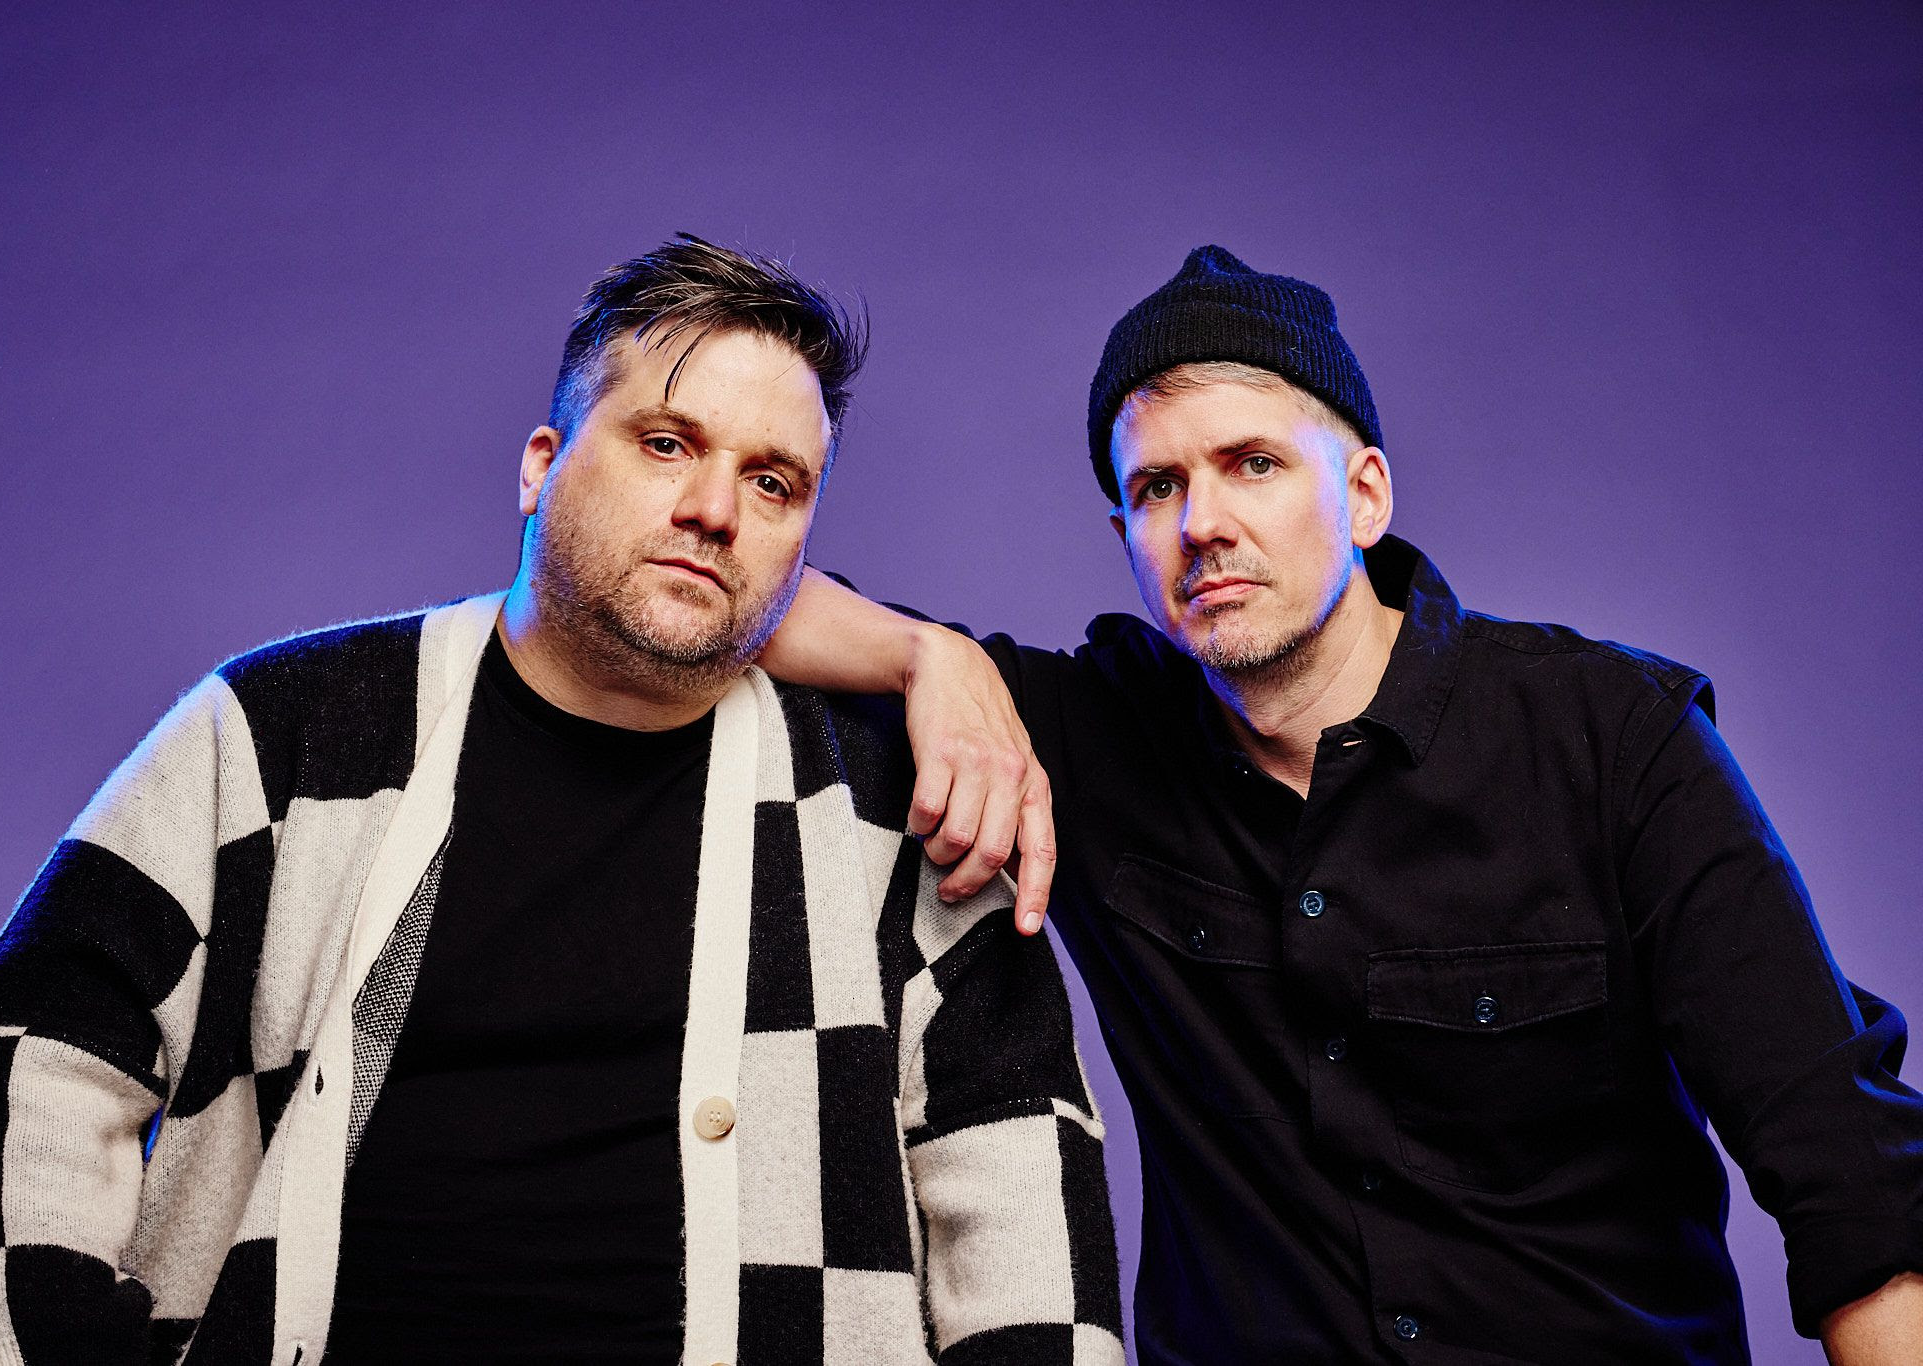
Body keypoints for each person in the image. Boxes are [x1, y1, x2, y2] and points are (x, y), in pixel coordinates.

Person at [0, 236, 1124, 1366]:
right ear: (541, 465)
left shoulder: (889, 806)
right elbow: (29, 1055)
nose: (714, 509)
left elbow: (1019, 1178)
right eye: (666, 443)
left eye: (772, 481)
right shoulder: (283, 733)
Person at [761, 246, 1923, 1363]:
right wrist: (925, 655)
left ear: (1363, 494)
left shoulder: (1611, 737)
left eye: (1252, 464)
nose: (1202, 522)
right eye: (1157, 486)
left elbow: (1846, 1161)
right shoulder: (1092, 739)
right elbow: (740, 594)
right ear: (1123, 533)